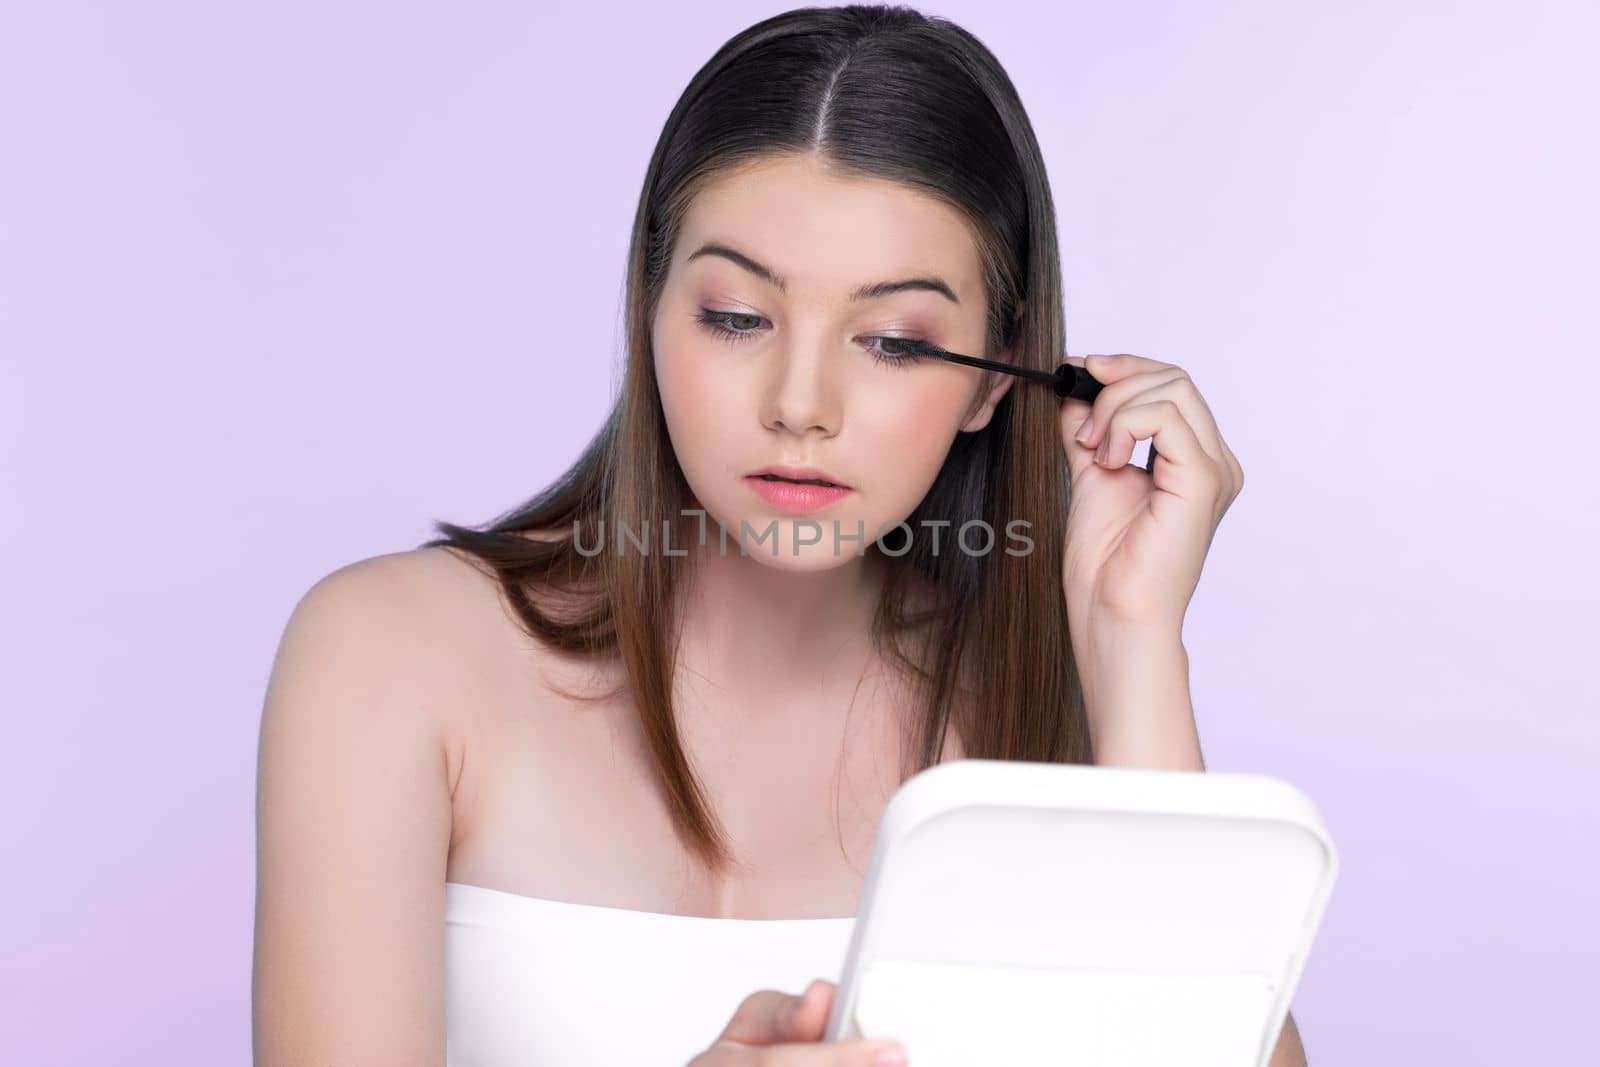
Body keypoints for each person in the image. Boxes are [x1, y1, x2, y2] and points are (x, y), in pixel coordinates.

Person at [252, 4, 1306, 1065]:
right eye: (737, 317)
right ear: (652, 309)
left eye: (893, 340)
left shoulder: (1050, 712)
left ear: (998, 375)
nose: (801, 402)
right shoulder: (393, 655)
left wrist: (1132, 642)